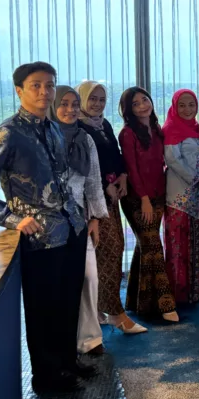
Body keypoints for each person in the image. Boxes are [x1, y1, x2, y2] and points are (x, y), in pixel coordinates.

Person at [0, 62, 91, 392]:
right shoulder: (8, 133)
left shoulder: (52, 128)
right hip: (39, 235)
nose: (44, 91)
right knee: (43, 308)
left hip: (71, 227)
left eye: (49, 85)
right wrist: (9, 218)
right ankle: (47, 376)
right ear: (19, 90)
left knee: (68, 301)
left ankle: (67, 361)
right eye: (36, 85)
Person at [77, 80, 147, 334]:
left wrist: (122, 176)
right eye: (92, 99)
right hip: (91, 203)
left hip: (110, 198)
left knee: (108, 252)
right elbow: (83, 168)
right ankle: (116, 314)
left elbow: (115, 156)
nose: (97, 104)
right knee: (109, 250)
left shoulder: (103, 125)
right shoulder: (77, 128)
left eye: (101, 99)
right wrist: (105, 185)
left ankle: (99, 308)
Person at [50, 86, 109, 355]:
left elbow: (93, 181)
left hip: (79, 218)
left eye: (75, 104)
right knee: (58, 283)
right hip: (49, 221)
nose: (71, 109)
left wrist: (95, 217)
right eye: (64, 103)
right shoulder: (43, 137)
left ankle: (90, 338)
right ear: (53, 106)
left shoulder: (85, 138)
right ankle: (62, 341)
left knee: (89, 277)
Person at [118, 87, 179, 321]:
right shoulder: (128, 133)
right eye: (136, 104)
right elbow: (132, 169)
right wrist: (144, 199)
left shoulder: (156, 129)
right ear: (129, 110)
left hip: (158, 195)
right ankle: (165, 305)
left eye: (145, 100)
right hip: (137, 198)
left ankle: (138, 301)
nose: (143, 105)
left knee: (145, 245)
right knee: (153, 245)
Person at [163, 89, 199, 305]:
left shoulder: (195, 127)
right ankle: (177, 294)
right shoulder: (171, 128)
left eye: (191, 105)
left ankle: (192, 292)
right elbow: (172, 160)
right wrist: (197, 177)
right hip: (178, 193)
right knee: (177, 244)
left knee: (194, 240)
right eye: (182, 105)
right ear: (174, 107)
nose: (187, 109)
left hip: (195, 193)